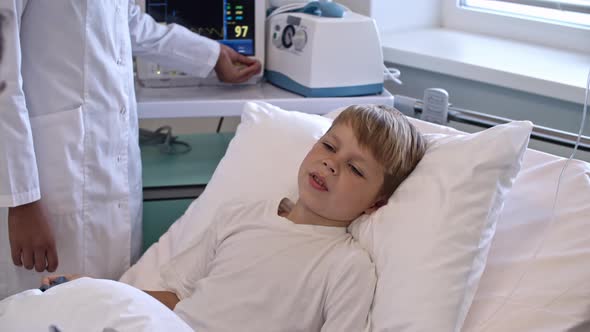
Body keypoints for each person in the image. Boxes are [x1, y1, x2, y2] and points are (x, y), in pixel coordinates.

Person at [40, 105, 427, 331]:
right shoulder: (240, 216)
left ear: (375, 204)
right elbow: (174, 298)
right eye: (328, 146)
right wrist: (96, 290)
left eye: (356, 169)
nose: (331, 163)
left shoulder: (348, 267)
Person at [0, 1, 261, 299]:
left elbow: (128, 21)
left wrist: (212, 55)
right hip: (49, 179)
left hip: (111, 170)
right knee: (47, 308)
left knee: (114, 305)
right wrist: (22, 201)